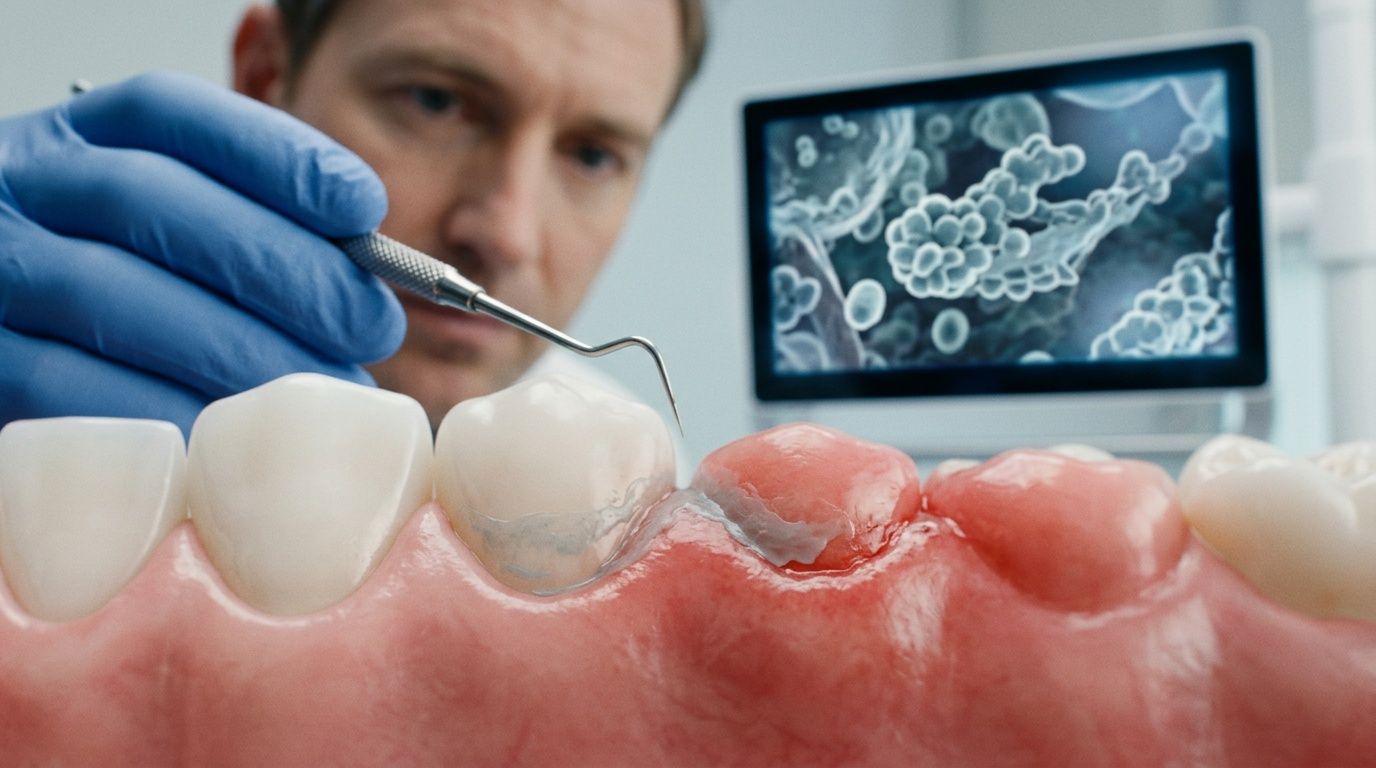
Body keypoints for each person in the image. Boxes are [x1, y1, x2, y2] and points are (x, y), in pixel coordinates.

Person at [0, 0, 707, 433]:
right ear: (264, 76)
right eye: (436, 101)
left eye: (590, 154)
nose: (504, 234)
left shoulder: (624, 477)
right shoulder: (40, 383)